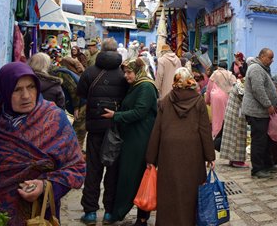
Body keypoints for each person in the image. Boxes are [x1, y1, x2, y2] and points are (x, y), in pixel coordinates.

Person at [0, 62, 85, 225]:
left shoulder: (54, 119)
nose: (26, 96)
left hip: (36, 217)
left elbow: (76, 168)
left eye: (31, 87)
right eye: (17, 90)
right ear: (4, 91)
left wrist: (45, 186)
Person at [146, 67, 216, 226]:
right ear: (190, 80)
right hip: (193, 151)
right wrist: (210, 156)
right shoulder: (198, 101)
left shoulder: (165, 101)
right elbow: (205, 130)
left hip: (169, 151)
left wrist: (151, 157)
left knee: (169, 189)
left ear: (175, 81)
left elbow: (157, 129)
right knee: (190, 189)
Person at [101, 58, 158, 225]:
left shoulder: (146, 87)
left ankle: (141, 217)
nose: (126, 76)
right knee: (129, 175)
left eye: (129, 72)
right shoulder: (136, 86)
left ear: (138, 71)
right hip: (132, 137)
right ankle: (122, 211)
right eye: (125, 72)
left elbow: (140, 111)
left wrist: (116, 116)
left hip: (140, 139)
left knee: (136, 175)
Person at [77, 37, 128, 225]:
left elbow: (81, 93)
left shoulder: (90, 72)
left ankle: (90, 212)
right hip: (115, 129)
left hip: (95, 128)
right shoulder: (123, 74)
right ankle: (109, 212)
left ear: (101, 50)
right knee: (112, 171)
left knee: (93, 170)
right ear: (116, 52)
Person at [242, 48, 277, 178]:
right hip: (256, 111)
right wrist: (268, 105)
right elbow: (258, 90)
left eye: (272, 58)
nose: (272, 61)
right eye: (270, 58)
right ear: (262, 56)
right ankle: (257, 169)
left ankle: (267, 164)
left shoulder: (262, 68)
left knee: (266, 139)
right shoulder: (256, 69)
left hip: (262, 112)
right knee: (259, 140)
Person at [220, 76, 250, 168]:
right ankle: (238, 161)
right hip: (237, 114)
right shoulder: (241, 89)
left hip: (231, 112)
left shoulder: (236, 85)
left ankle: (232, 159)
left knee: (231, 135)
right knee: (238, 135)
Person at [206, 61, 236, 142]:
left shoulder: (214, 74)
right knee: (225, 116)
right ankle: (226, 135)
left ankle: (216, 135)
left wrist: (207, 100)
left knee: (216, 117)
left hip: (215, 97)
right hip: (227, 97)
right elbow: (235, 86)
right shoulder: (230, 75)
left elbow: (208, 89)